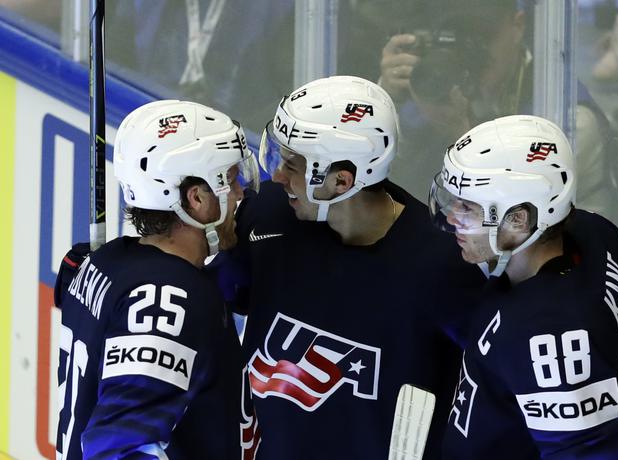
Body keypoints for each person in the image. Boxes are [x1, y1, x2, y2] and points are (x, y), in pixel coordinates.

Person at [224, 75, 486, 459]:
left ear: (341, 180)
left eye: (292, 166)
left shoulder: (444, 266)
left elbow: (487, 391)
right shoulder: (268, 218)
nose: (277, 177)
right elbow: (217, 304)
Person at [429, 114, 618, 458]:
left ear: (519, 217)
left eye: (468, 207)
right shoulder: (595, 234)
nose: (452, 218)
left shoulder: (549, 334)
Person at [54, 100, 260, 459]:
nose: (240, 192)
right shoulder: (167, 299)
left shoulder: (105, 260)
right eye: (228, 180)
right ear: (196, 198)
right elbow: (118, 448)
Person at [379, 0, 611, 216]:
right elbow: (380, 179)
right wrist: (387, 100)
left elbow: (516, 219)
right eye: (457, 37)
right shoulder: (436, 88)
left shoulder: (564, 114)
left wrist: (459, 134)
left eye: (481, 37)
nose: (470, 53)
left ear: (517, 26)